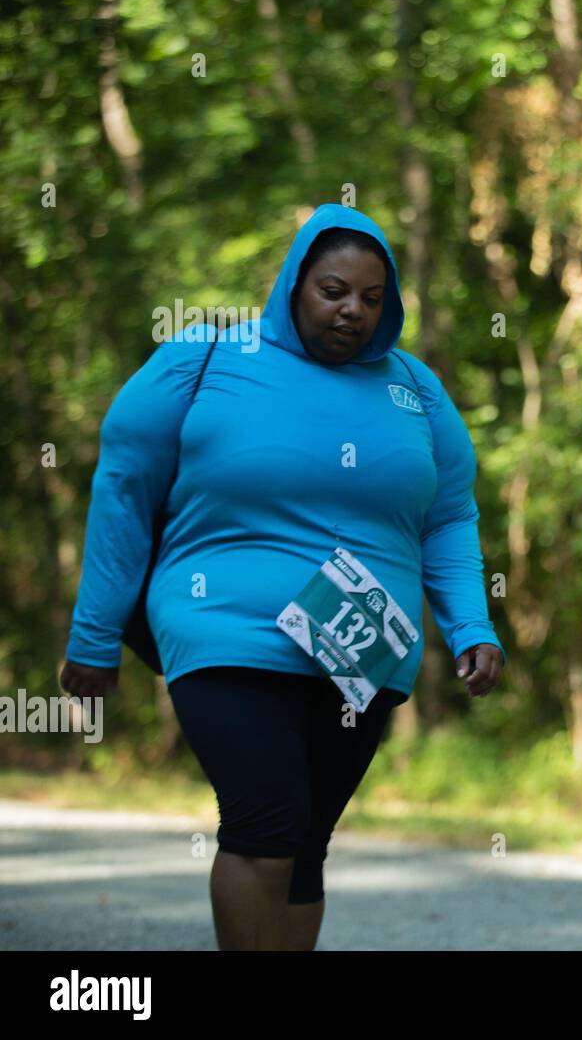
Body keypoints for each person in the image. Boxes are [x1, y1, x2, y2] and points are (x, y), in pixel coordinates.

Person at [60, 204, 506, 951]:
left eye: (370, 298)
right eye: (333, 290)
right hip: (226, 629)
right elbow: (123, 493)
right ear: (293, 283)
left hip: (362, 650)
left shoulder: (417, 390)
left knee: (304, 841)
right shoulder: (203, 359)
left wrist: (471, 623)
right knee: (265, 824)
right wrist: (94, 636)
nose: (351, 311)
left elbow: (450, 517)